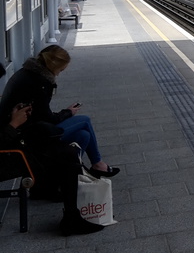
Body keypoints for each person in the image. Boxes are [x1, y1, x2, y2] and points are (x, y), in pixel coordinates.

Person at [0, 45, 119, 179]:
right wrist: (67, 113)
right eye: (61, 69)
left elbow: (41, 112)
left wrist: (66, 112)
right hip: (28, 135)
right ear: (54, 66)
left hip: (29, 128)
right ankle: (97, 164)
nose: (60, 72)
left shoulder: (28, 73)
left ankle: (74, 173)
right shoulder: (40, 82)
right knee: (85, 120)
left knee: (83, 135)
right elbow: (47, 118)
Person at [1, 102, 104, 236]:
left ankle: (54, 196)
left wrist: (15, 118)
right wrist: (14, 124)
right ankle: (71, 218)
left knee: (68, 147)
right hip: (9, 157)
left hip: (14, 147)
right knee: (66, 155)